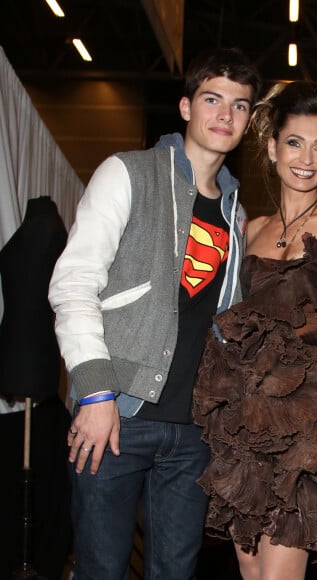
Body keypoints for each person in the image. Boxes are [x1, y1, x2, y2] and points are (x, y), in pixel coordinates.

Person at [48, 47, 261, 579]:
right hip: (115, 416)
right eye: (213, 99)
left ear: (250, 121)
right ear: (187, 106)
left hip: (194, 434)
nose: (224, 115)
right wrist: (96, 393)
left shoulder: (238, 215)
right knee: (100, 569)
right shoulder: (128, 172)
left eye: (239, 105)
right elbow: (73, 284)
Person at [193, 80, 317, 580]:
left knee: (279, 571)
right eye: (295, 142)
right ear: (271, 147)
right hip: (248, 419)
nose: (307, 158)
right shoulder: (249, 229)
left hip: (313, 420)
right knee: (249, 563)